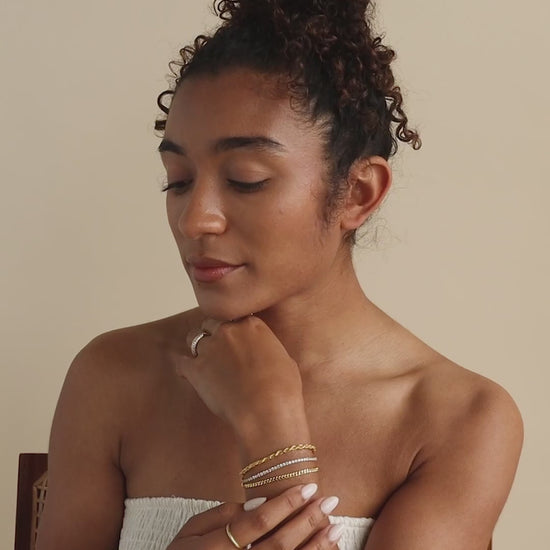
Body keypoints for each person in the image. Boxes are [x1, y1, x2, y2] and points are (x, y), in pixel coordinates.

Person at [36, 1, 523, 549]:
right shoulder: (112, 378)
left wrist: (272, 434)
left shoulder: (459, 420)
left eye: (246, 180)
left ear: (358, 193)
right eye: (178, 180)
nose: (195, 219)